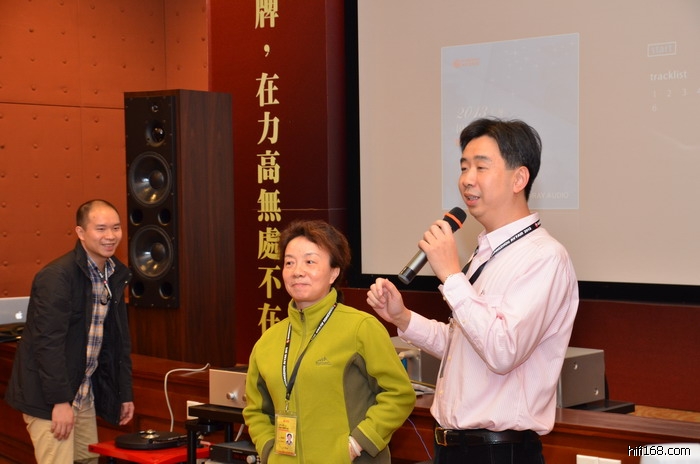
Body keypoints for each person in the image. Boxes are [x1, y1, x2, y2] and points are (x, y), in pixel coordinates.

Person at [367, 118, 579, 464]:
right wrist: (403, 318)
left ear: (519, 178)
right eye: (464, 167)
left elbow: (502, 350)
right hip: (453, 448)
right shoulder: (486, 253)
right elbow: (464, 346)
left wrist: (452, 275)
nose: (467, 179)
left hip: (499, 452)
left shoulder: (544, 257)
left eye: (481, 167)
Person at [244, 219, 416, 464]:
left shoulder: (360, 328)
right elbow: (256, 410)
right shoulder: (268, 341)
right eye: (289, 262)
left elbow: (399, 394)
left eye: (310, 262)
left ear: (334, 272)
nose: (297, 271)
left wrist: (356, 444)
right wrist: (270, 450)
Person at [5, 199, 134, 464]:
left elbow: (118, 343)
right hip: (50, 399)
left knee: (88, 459)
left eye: (116, 228)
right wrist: (60, 402)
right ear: (80, 232)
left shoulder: (114, 274)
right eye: (101, 229)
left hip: (83, 394)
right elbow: (47, 345)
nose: (111, 236)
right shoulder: (57, 276)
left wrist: (124, 393)